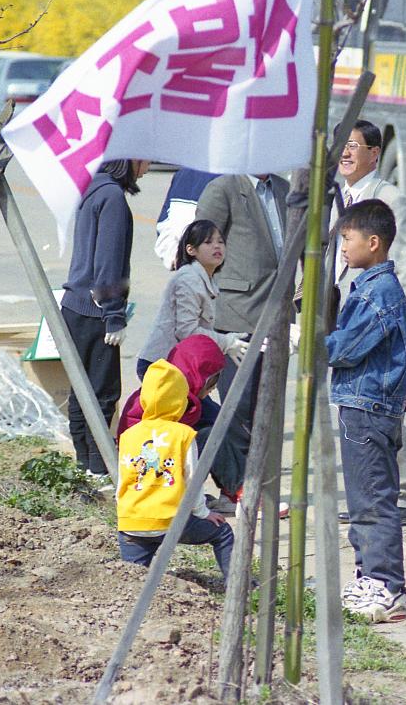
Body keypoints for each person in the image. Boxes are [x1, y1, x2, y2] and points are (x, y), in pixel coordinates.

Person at [331, 120, 406, 524]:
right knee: (359, 408)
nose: (346, 153)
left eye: (354, 146)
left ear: (375, 153)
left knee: (381, 407)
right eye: (343, 146)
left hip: (378, 325)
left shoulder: (388, 199)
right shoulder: (336, 196)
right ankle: (371, 492)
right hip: (345, 319)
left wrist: (390, 325)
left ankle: (402, 495)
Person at [327, 199, 406, 623]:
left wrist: (303, 337)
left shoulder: (379, 292)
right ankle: (369, 577)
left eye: (348, 238)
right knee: (363, 499)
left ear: (374, 242)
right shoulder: (367, 285)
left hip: (369, 409)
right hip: (362, 406)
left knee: (373, 502)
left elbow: (343, 349)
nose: (343, 247)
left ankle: (387, 587)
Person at [195, 170, 291, 507]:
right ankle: (242, 488)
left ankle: (247, 489)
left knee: (269, 406)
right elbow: (201, 248)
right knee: (242, 404)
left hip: (278, 313)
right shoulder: (224, 189)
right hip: (237, 312)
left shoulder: (282, 188)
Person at [61, 158, 149, 486]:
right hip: (96, 310)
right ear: (131, 160)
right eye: (146, 159)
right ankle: (98, 468)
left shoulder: (92, 188)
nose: (149, 166)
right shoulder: (112, 197)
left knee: (80, 391)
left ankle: (83, 460)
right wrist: (114, 315)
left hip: (74, 305)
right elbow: (108, 261)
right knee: (102, 393)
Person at [116, 358, 235, 578]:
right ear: (180, 400)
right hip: (170, 521)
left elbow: (124, 479)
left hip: (131, 523)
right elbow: (193, 481)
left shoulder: (128, 435)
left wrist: (126, 514)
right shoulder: (184, 435)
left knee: (133, 578)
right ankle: (236, 585)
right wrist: (203, 512)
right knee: (223, 533)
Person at [119, 335, 245, 516]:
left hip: (155, 461)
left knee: (215, 427)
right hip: (147, 466)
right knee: (210, 436)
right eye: (211, 383)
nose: (213, 389)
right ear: (200, 376)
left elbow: (221, 420)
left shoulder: (182, 388)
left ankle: (231, 493)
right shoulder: (168, 395)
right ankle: (243, 495)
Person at [136, 219, 247, 381]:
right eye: (208, 242)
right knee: (206, 408)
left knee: (207, 407)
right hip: (160, 366)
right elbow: (186, 331)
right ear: (191, 250)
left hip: (178, 366)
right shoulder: (189, 279)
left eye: (220, 242)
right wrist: (226, 341)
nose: (217, 246)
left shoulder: (207, 278)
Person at [153, 167, 219, 270]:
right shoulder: (233, 178)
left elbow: (164, 226)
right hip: (219, 275)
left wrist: (178, 258)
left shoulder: (183, 174)